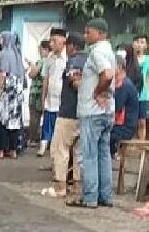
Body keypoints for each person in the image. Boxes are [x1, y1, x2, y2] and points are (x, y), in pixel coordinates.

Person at [68, 18, 116, 209]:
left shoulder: (98, 52)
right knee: (103, 154)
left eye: (89, 32)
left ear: (100, 33)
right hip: (106, 111)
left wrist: (97, 91)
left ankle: (90, 197)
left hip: (92, 111)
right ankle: (105, 195)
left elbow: (107, 74)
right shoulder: (109, 51)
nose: (86, 35)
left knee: (89, 155)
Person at [44, 32, 87, 199]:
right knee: (78, 152)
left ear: (71, 46)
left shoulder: (74, 61)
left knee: (59, 149)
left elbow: (76, 83)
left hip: (69, 112)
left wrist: (85, 90)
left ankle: (61, 186)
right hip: (83, 114)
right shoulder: (89, 60)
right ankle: (77, 186)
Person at [0, 31, 24, 159]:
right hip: (17, 91)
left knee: (2, 119)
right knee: (14, 121)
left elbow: (2, 73)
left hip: (7, 89)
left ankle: (0, 150)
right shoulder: (17, 55)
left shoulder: (5, 54)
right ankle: (13, 150)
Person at [38, 28, 67, 157]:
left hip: (62, 100)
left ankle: (56, 153)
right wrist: (43, 97)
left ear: (63, 41)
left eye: (54, 41)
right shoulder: (50, 58)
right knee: (47, 123)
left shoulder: (67, 58)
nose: (51, 44)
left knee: (59, 128)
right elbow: (46, 79)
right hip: (50, 98)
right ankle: (43, 147)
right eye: (51, 41)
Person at [111, 54, 139, 157]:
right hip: (119, 125)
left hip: (125, 128)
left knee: (102, 136)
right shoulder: (119, 83)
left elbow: (115, 108)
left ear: (119, 67)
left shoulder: (125, 85)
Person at [26, 40, 51, 147]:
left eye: (40, 49)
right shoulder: (51, 61)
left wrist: (31, 65)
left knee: (34, 117)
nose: (39, 51)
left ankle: (33, 139)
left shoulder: (42, 61)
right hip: (45, 93)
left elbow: (32, 74)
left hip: (36, 92)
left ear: (45, 49)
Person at [134, 34, 149, 139]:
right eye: (138, 42)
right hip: (130, 95)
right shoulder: (130, 59)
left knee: (142, 122)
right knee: (129, 121)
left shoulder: (148, 60)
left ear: (146, 46)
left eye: (142, 42)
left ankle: (141, 147)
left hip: (144, 95)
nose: (139, 45)